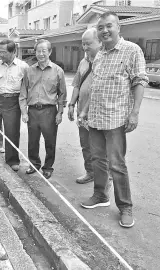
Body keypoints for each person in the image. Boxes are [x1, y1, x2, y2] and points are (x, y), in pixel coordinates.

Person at [78, 11, 148, 228]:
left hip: (116, 119)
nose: (105, 30)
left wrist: (134, 112)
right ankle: (100, 195)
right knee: (98, 160)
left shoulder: (131, 50)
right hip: (95, 120)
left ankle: (125, 206)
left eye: (109, 26)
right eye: (101, 27)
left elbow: (140, 80)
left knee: (117, 165)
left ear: (119, 28)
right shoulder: (99, 55)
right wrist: (84, 111)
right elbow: (95, 87)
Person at [19, 39, 66, 179]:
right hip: (33, 111)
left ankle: (48, 167)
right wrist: (24, 112)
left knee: (50, 141)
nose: (40, 54)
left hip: (49, 111)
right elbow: (23, 92)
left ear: (50, 52)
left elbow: (62, 94)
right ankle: (34, 164)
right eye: (38, 51)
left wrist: (60, 112)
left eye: (44, 51)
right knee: (32, 141)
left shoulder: (58, 71)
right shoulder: (29, 71)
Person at [0, 39, 28, 171]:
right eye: (0, 51)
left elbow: (26, 88)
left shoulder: (23, 67)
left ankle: (12, 159)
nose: (0, 54)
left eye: (4, 52)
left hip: (13, 102)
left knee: (12, 132)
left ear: (13, 52)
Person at [68, 28, 102, 184]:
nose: (85, 47)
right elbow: (76, 84)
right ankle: (90, 172)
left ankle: (103, 176)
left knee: (100, 148)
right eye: (83, 44)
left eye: (89, 43)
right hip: (81, 111)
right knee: (85, 145)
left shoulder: (104, 61)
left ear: (99, 42)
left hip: (98, 113)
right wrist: (71, 104)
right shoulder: (83, 62)